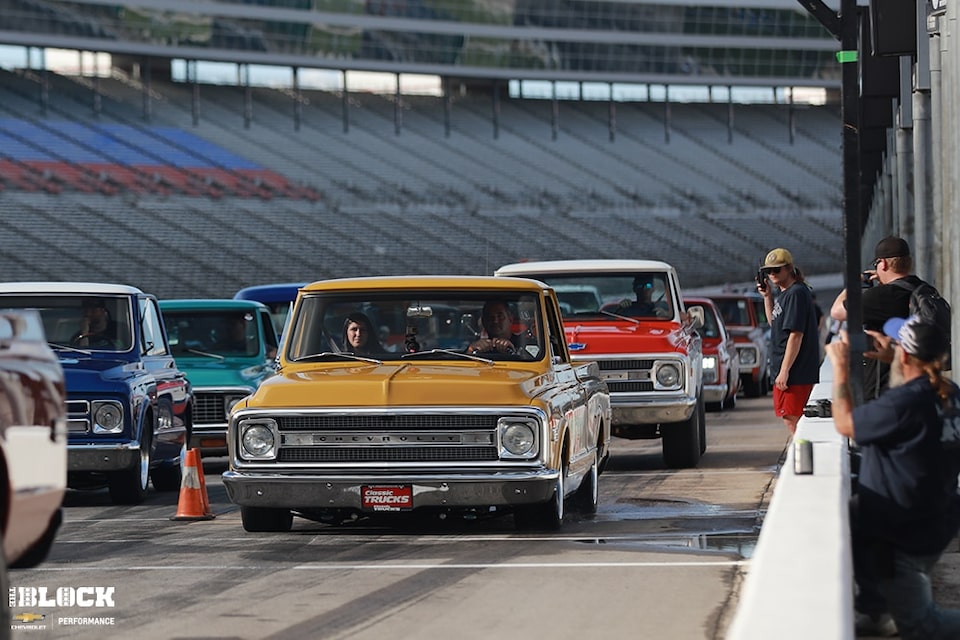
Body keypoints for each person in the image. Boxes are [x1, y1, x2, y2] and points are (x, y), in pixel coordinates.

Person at [825, 316, 960, 639]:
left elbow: (844, 423)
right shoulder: (950, 393)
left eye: (894, 342)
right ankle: (875, 609)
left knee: (921, 626)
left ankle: (880, 610)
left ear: (905, 356)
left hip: (902, 536)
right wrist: (894, 358)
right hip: (935, 520)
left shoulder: (903, 404)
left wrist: (840, 367)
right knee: (856, 515)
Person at [830, 235, 926, 400]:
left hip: (886, 385)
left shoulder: (879, 296)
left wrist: (853, 285)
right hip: (921, 377)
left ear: (884, 263)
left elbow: (837, 311)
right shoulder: (923, 289)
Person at [757, 247, 820, 434]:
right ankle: (802, 458)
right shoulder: (786, 294)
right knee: (790, 418)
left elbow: (796, 334)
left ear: (789, 268)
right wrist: (767, 297)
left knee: (793, 420)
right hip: (791, 370)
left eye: (777, 270)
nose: (772, 274)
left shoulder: (795, 293)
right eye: (768, 271)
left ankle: (803, 460)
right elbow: (774, 323)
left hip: (796, 372)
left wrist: (785, 371)